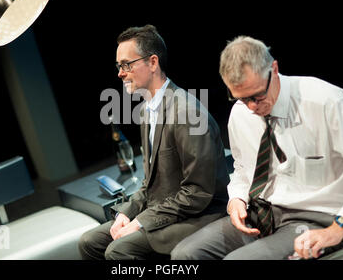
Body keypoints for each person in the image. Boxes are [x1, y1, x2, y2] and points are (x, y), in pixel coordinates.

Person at [171, 36, 343, 260]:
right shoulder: (241, 114)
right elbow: (243, 169)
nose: (252, 107)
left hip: (315, 217)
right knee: (185, 254)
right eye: (240, 98)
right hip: (262, 212)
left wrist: (339, 228)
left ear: (274, 69)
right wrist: (237, 199)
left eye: (257, 95)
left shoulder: (325, 101)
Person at [78, 24, 230, 260]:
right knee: (89, 242)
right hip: (166, 208)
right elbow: (150, 183)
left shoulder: (188, 113)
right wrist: (126, 214)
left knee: (117, 251)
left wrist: (140, 222)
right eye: (119, 66)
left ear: (152, 62)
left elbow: (198, 193)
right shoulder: (147, 110)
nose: (120, 73)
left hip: (199, 215)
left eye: (127, 64)